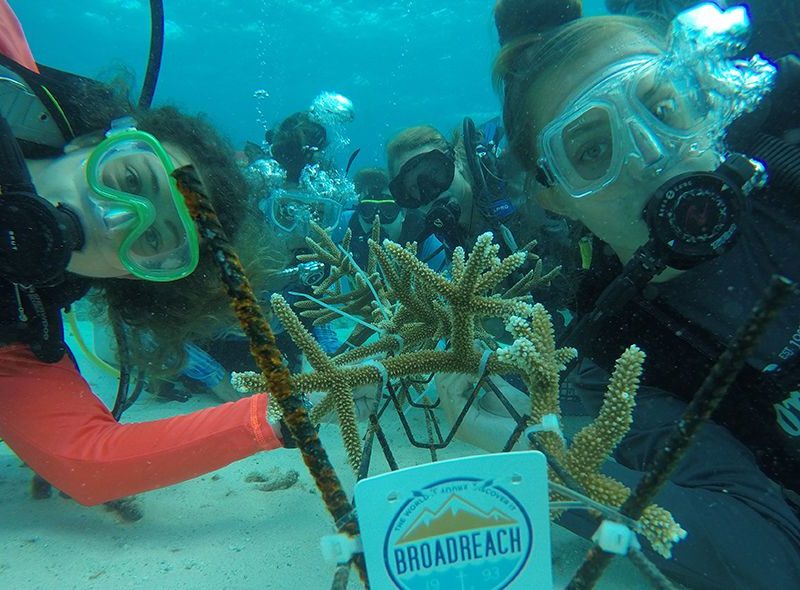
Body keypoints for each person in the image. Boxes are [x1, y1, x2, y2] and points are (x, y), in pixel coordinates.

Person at [436, 1, 800, 588]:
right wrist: (530, 451)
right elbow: (772, 560)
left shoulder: (790, 183)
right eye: (591, 151)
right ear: (556, 197)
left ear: (706, 102)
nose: (651, 155)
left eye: (661, 109)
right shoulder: (616, 360)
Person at [0, 2, 287, 508]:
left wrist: (274, 419)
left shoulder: (17, 331)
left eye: (152, 240)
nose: (114, 220)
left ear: (130, 278)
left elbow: (88, 460)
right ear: (90, 142)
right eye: (130, 180)